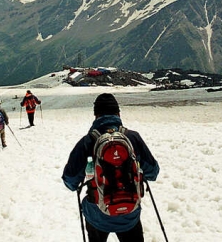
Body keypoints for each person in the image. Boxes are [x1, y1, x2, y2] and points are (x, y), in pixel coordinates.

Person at [62, 93, 160, 242]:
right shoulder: (133, 137)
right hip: (129, 214)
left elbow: (70, 181)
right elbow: (153, 172)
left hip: (97, 216)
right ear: (118, 113)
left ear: (96, 115)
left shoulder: (87, 141)